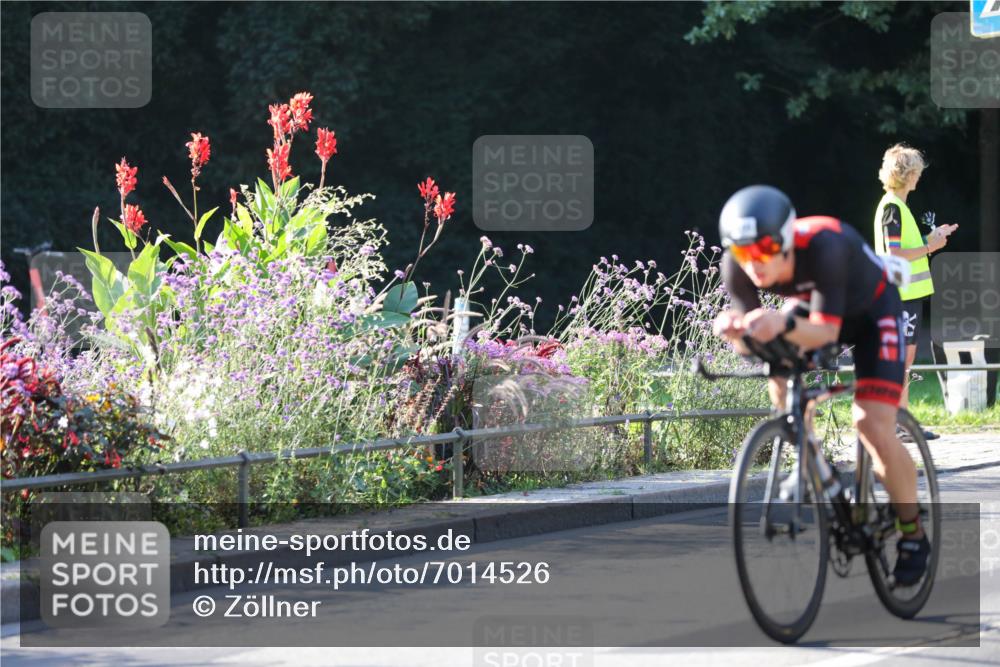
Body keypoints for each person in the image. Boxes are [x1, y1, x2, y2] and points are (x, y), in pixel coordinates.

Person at [712, 185, 930, 586]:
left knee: (871, 427)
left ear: (788, 241)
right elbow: (755, 345)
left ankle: (913, 532)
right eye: (744, 254)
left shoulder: (826, 244)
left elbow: (827, 335)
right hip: (814, 307)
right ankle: (808, 456)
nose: (753, 265)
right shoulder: (736, 265)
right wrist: (737, 334)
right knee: (777, 366)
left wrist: (785, 323)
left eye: (763, 250)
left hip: (872, 313)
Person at [873, 144, 958, 442]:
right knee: (901, 361)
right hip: (901, 296)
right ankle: (898, 425)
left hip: (906, 296)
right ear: (908, 175)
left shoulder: (897, 206)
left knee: (904, 362)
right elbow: (894, 254)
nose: (919, 178)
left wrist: (929, 238)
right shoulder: (893, 208)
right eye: (917, 173)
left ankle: (902, 423)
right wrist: (930, 247)